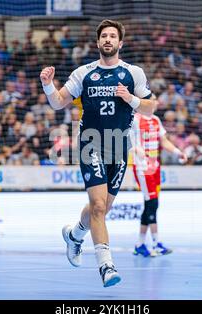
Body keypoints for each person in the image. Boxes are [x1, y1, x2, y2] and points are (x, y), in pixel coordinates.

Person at [39, 20, 155, 287]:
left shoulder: (132, 73)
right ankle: (106, 266)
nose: (108, 39)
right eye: (104, 36)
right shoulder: (84, 73)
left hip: (119, 147)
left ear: (120, 43)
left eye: (113, 36)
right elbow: (58, 102)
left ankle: (74, 236)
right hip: (91, 144)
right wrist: (48, 84)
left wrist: (131, 99)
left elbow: (150, 108)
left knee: (100, 208)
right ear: (98, 42)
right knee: (99, 206)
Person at [130, 111, 187, 257]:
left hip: (155, 166)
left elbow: (164, 141)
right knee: (152, 204)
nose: (154, 103)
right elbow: (124, 136)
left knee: (150, 204)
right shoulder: (135, 118)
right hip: (143, 167)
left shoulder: (155, 119)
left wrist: (177, 152)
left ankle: (140, 244)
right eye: (151, 100)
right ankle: (155, 243)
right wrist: (135, 148)